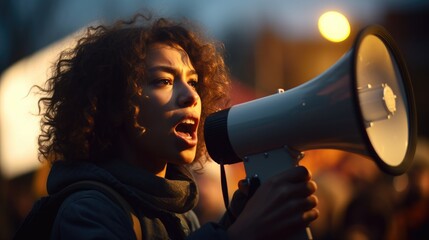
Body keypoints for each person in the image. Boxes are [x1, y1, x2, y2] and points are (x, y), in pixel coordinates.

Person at [31, 13, 319, 239]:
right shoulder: (87, 210)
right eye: (164, 81)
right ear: (114, 106)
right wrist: (241, 234)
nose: (192, 96)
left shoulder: (181, 213)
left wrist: (234, 220)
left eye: (193, 82)